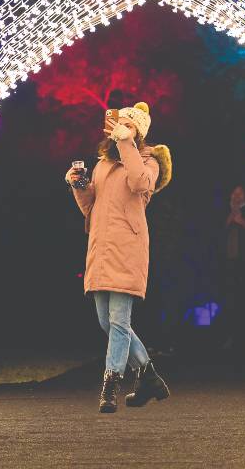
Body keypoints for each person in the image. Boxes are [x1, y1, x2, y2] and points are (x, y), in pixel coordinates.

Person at [65, 102, 173, 413]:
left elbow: (139, 183)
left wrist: (126, 143)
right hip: (101, 248)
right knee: (106, 322)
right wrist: (79, 183)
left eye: (124, 126)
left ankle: (109, 387)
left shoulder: (148, 163)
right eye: (116, 126)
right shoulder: (102, 164)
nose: (115, 129)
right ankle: (149, 376)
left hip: (127, 248)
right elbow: (91, 207)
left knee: (119, 322)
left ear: (136, 132)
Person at [220, 184, 245, 352]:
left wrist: (241, 221)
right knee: (230, 302)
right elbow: (218, 233)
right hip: (229, 265)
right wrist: (231, 218)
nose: (237, 196)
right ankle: (230, 337)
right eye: (234, 193)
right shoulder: (224, 212)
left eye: (240, 193)